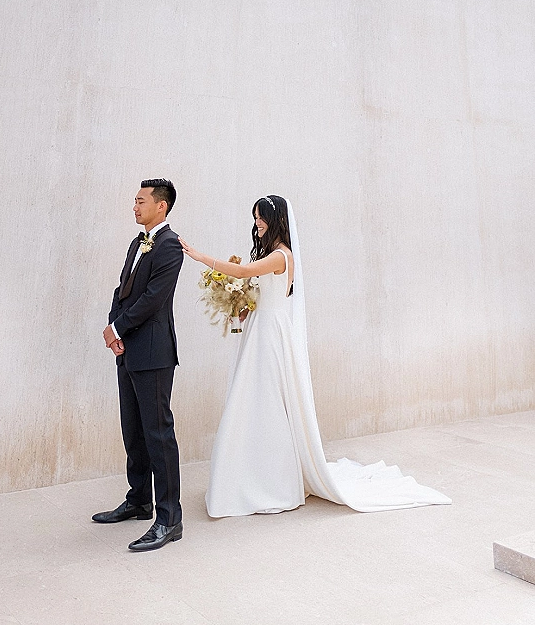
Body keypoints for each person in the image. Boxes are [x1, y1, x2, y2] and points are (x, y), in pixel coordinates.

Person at [180, 195, 452, 517]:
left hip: (271, 335)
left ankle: (272, 482)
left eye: (261, 217)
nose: (257, 223)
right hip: (259, 329)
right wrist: (243, 308)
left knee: (268, 400)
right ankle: (246, 477)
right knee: (252, 399)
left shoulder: (281, 256)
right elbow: (258, 291)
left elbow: (242, 272)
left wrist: (200, 257)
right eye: (255, 218)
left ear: (276, 219)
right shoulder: (269, 254)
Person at [93, 178, 184, 551]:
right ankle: (140, 500)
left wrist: (118, 327)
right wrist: (112, 327)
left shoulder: (170, 246)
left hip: (153, 353)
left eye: (140, 200)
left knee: (158, 434)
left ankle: (170, 518)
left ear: (161, 205)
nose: (134, 206)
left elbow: (152, 299)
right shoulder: (137, 243)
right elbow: (123, 290)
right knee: (133, 430)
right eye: (134, 200)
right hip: (128, 349)